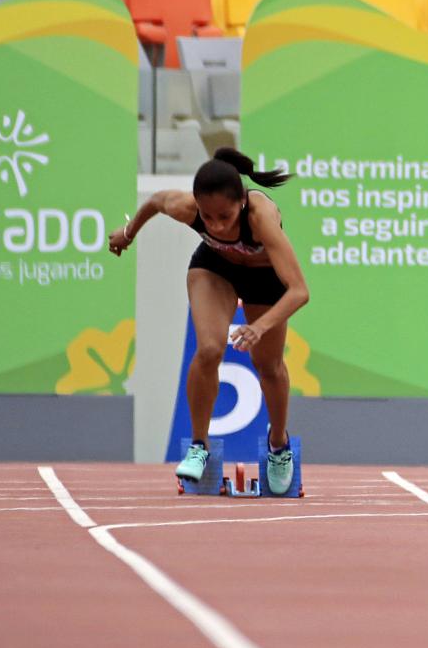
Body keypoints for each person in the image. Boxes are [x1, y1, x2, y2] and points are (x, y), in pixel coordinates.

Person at [107, 148, 310, 492]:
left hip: (266, 280)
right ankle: (198, 445)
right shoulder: (186, 208)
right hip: (215, 268)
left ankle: (278, 445)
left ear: (242, 202)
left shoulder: (261, 217)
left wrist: (258, 327)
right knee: (209, 349)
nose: (215, 224)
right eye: (208, 216)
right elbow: (156, 201)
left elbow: (299, 291)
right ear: (197, 205)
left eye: (225, 217)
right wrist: (128, 233)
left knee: (269, 365)